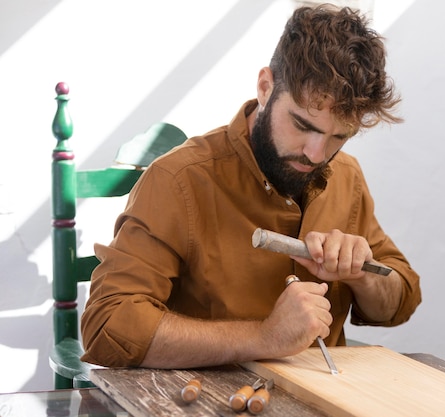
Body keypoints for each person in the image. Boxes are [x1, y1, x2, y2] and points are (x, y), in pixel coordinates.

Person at [81, 3, 421, 369]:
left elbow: (399, 301)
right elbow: (108, 327)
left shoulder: (347, 175)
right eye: (303, 125)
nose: (316, 153)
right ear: (265, 87)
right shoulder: (179, 180)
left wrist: (361, 274)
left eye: (339, 136)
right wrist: (264, 337)